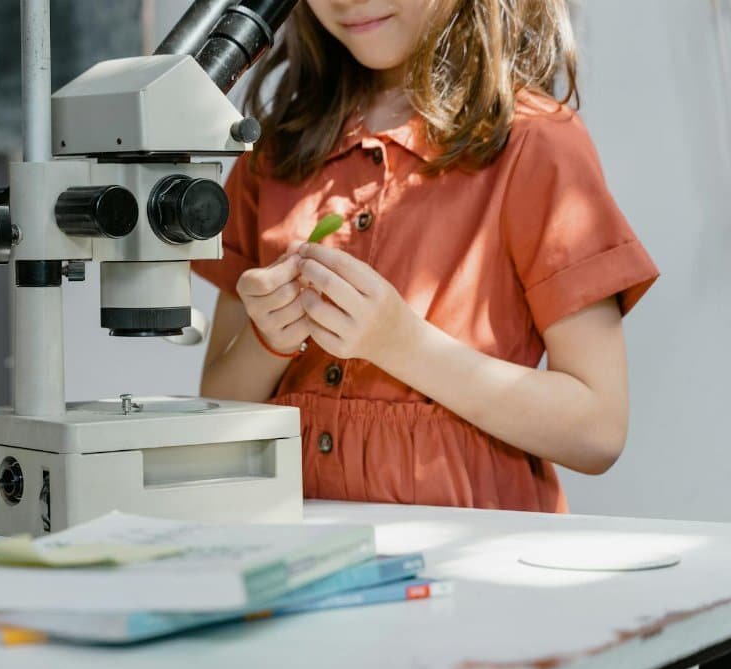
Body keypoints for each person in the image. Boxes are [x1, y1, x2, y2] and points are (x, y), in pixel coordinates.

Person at [194, 0, 659, 512]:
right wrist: (267, 340)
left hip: (480, 569)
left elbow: (598, 431)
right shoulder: (274, 154)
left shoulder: (537, 144)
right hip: (298, 554)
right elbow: (219, 407)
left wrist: (402, 344)